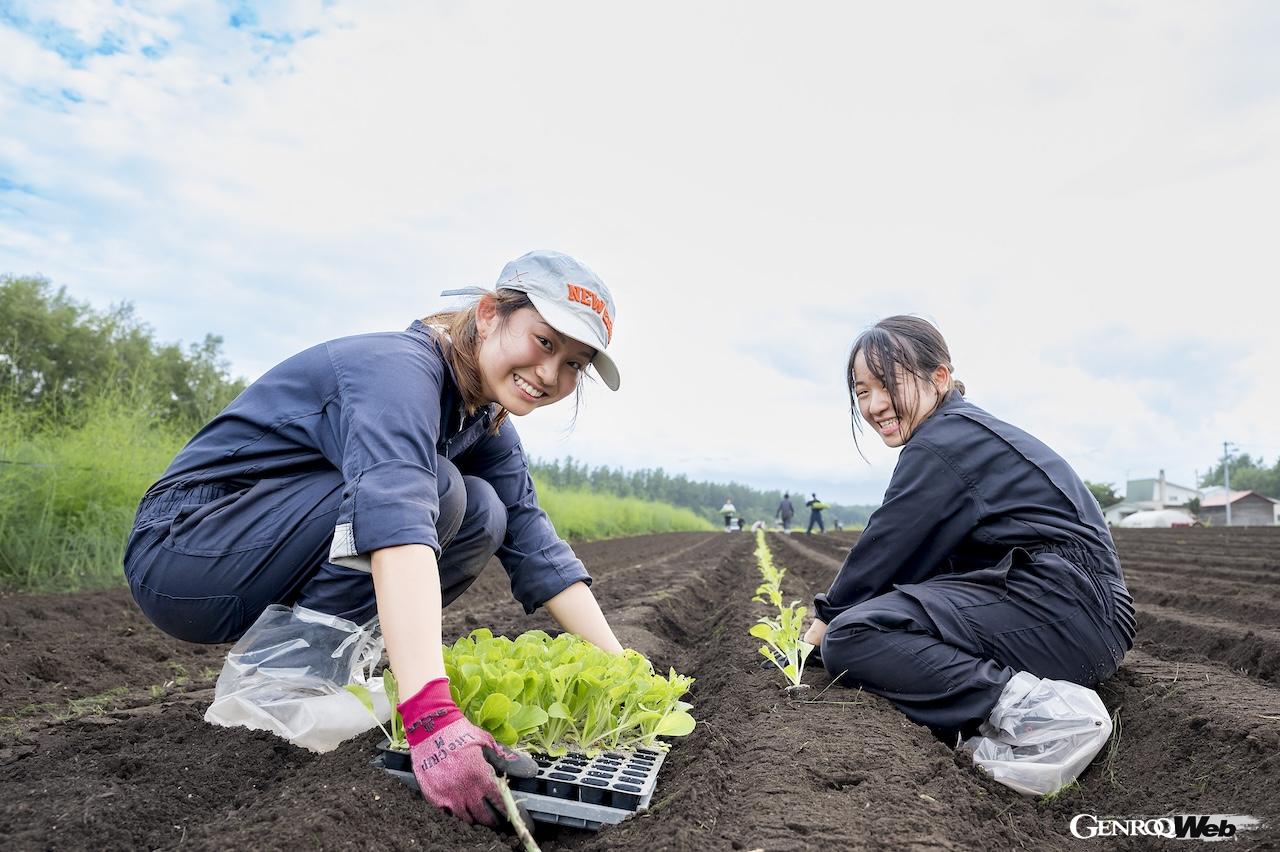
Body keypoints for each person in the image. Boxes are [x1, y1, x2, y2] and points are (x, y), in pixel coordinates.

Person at [123, 249, 627, 829]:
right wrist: (431, 719)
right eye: (544, 342)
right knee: (437, 489)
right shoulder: (397, 370)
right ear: (489, 314)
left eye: (573, 363)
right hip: (186, 552)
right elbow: (396, 520)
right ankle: (280, 687)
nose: (550, 374)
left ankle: (317, 674)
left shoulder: (481, 419)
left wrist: (623, 671)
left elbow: (534, 544)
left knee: (488, 510)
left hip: (254, 558)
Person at [804, 315, 1135, 793]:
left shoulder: (944, 443)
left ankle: (1043, 718)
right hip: (1076, 611)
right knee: (884, 618)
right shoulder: (959, 432)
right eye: (861, 392)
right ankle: (1003, 708)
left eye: (887, 385)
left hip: (1068, 608)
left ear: (939, 377)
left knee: (855, 635)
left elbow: (885, 547)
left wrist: (820, 632)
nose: (874, 405)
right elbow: (915, 561)